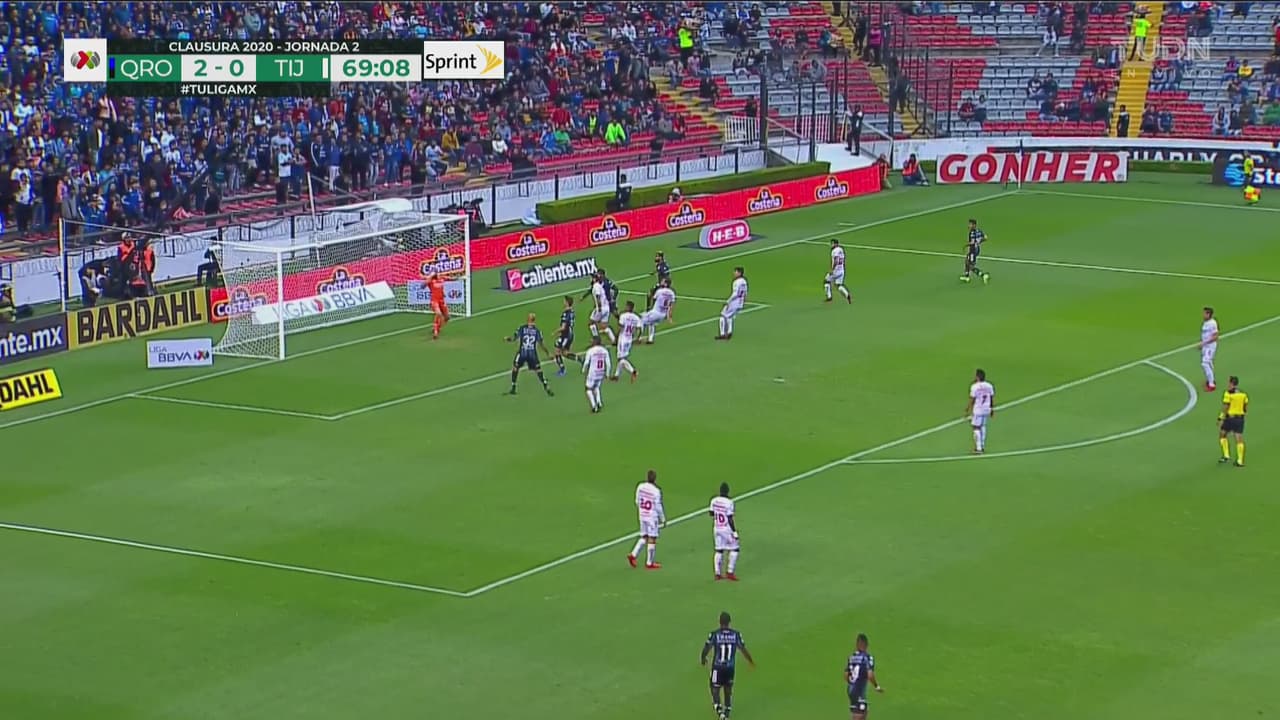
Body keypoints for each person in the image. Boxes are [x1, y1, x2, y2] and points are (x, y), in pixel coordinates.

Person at [701, 611, 755, 720]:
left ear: (719, 622)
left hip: (718, 667)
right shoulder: (736, 635)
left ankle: (719, 711)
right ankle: (727, 712)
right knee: (728, 689)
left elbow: (707, 648)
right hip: (730, 668)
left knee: (714, 687)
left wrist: (703, 658)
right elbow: (743, 649)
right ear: (729, 622)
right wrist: (750, 661)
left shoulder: (715, 634)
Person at [505, 313, 554, 397]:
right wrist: (548, 353)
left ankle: (513, 387)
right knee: (538, 370)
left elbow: (514, 338)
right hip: (532, 354)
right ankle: (546, 385)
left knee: (515, 368)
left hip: (522, 352)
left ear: (528, 319)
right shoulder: (537, 331)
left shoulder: (522, 328)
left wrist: (508, 339)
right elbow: (541, 344)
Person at [628, 469, 665, 567]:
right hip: (651, 518)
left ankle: (633, 554)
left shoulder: (640, 486)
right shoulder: (656, 491)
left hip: (642, 515)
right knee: (652, 538)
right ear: (655, 479)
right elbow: (658, 506)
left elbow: (637, 501)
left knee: (644, 536)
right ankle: (650, 563)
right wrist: (663, 518)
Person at [845, 633, 883, 720]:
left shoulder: (852, 657)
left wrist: (852, 683)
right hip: (858, 691)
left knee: (862, 712)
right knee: (860, 715)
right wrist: (876, 686)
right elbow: (870, 675)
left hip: (851, 690)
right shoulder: (867, 657)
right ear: (866, 644)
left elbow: (846, 675)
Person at [709, 482, 740, 581]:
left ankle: (717, 573)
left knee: (719, 550)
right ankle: (730, 572)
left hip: (716, 528)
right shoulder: (729, 502)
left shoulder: (714, 500)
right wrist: (734, 532)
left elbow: (711, 513)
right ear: (728, 491)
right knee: (735, 548)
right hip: (726, 529)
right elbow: (730, 518)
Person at [1218, 375, 1248, 467]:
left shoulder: (1228, 393)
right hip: (1240, 418)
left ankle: (1226, 455)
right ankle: (1240, 460)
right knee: (1238, 438)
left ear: (1231, 383)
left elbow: (1226, 406)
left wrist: (1221, 417)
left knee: (1222, 434)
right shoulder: (1243, 394)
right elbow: (1245, 406)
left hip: (1230, 418)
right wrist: (1242, 413)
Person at [966, 368, 996, 454]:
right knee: (983, 426)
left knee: (976, 427)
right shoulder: (989, 385)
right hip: (986, 408)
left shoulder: (974, 386)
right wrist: (992, 409)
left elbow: (972, 399)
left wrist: (968, 408)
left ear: (977, 377)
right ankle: (982, 445)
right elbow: (991, 398)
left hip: (978, 409)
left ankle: (978, 448)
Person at [716, 267, 749, 340]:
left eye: (735, 272)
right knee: (729, 316)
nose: (734, 273)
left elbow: (735, 294)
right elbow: (746, 292)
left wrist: (728, 301)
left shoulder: (736, 282)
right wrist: (743, 301)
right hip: (740, 302)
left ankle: (722, 334)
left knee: (722, 315)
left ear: (739, 273)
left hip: (734, 302)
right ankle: (729, 332)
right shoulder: (744, 281)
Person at [613, 301, 643, 383]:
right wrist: (638, 338)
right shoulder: (636, 317)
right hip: (629, 339)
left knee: (621, 359)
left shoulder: (623, 316)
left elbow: (620, 327)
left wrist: (616, 337)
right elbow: (640, 329)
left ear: (629, 307)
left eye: (626, 306)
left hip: (622, 338)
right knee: (622, 358)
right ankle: (616, 376)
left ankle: (633, 371)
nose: (625, 307)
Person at [582, 335, 611, 413]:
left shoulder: (590, 351)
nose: (591, 342)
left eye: (592, 340)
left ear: (595, 342)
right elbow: (608, 364)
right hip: (601, 372)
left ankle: (594, 406)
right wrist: (607, 374)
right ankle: (599, 402)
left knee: (588, 389)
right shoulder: (604, 350)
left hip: (593, 372)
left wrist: (583, 370)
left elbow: (586, 362)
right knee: (596, 386)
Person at [643, 278, 677, 343]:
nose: (661, 282)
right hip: (663, 314)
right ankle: (650, 339)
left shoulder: (660, 291)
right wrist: (669, 317)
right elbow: (671, 306)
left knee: (641, 321)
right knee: (651, 323)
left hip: (655, 312)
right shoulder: (672, 293)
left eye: (663, 282)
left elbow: (653, 299)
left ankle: (638, 338)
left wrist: (650, 308)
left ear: (666, 284)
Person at [586, 271, 616, 343]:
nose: (591, 279)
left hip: (601, 308)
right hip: (606, 308)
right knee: (604, 326)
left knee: (591, 323)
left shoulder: (596, 286)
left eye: (592, 278)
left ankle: (596, 339)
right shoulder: (599, 285)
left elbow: (598, 297)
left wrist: (599, 308)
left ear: (594, 279)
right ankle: (614, 340)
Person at [961, 218, 991, 284]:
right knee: (966, 261)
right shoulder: (979, 231)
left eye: (970, 224)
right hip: (977, 249)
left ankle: (983, 275)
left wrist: (965, 245)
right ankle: (967, 277)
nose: (969, 225)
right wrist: (979, 242)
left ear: (974, 225)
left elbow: (972, 242)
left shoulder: (972, 233)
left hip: (973, 250)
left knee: (971, 266)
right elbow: (985, 238)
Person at [554, 296, 576, 377]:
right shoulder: (572, 312)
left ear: (567, 303)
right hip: (569, 334)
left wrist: (555, 332)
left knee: (558, 352)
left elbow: (563, 327)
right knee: (564, 353)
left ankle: (562, 370)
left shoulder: (565, 314)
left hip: (566, 336)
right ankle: (580, 360)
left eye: (564, 301)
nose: (563, 302)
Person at [826, 239, 853, 304]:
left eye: (832, 243)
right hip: (842, 270)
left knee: (826, 281)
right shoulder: (841, 249)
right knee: (839, 286)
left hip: (836, 271)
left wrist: (832, 269)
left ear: (836, 244)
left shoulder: (834, 251)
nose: (831, 245)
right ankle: (847, 295)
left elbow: (836, 260)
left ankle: (829, 297)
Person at [1201, 306, 1219, 392]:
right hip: (1206, 346)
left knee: (1205, 363)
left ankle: (1211, 385)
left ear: (1208, 314)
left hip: (1210, 346)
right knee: (1209, 363)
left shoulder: (1213, 323)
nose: (1203, 315)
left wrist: (1204, 343)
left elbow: (1215, 337)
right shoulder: (1206, 322)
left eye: (1204, 313)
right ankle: (1211, 380)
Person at [427, 273, 448, 340]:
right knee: (438, 314)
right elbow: (422, 285)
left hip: (442, 301)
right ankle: (435, 333)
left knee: (447, 317)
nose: (439, 275)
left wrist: (458, 277)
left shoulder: (442, 279)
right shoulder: (431, 281)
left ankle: (436, 328)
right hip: (434, 301)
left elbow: (450, 278)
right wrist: (429, 278)